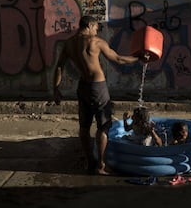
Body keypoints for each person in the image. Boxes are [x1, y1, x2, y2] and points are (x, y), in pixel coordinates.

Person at [53, 15, 149, 175]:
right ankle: (101, 166)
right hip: (98, 87)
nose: (96, 30)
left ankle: (90, 162)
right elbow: (118, 59)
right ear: (90, 25)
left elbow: (59, 67)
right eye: (96, 27)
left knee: (84, 127)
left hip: (82, 86)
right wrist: (138, 58)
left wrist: (55, 89)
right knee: (104, 126)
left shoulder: (69, 43)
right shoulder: (95, 41)